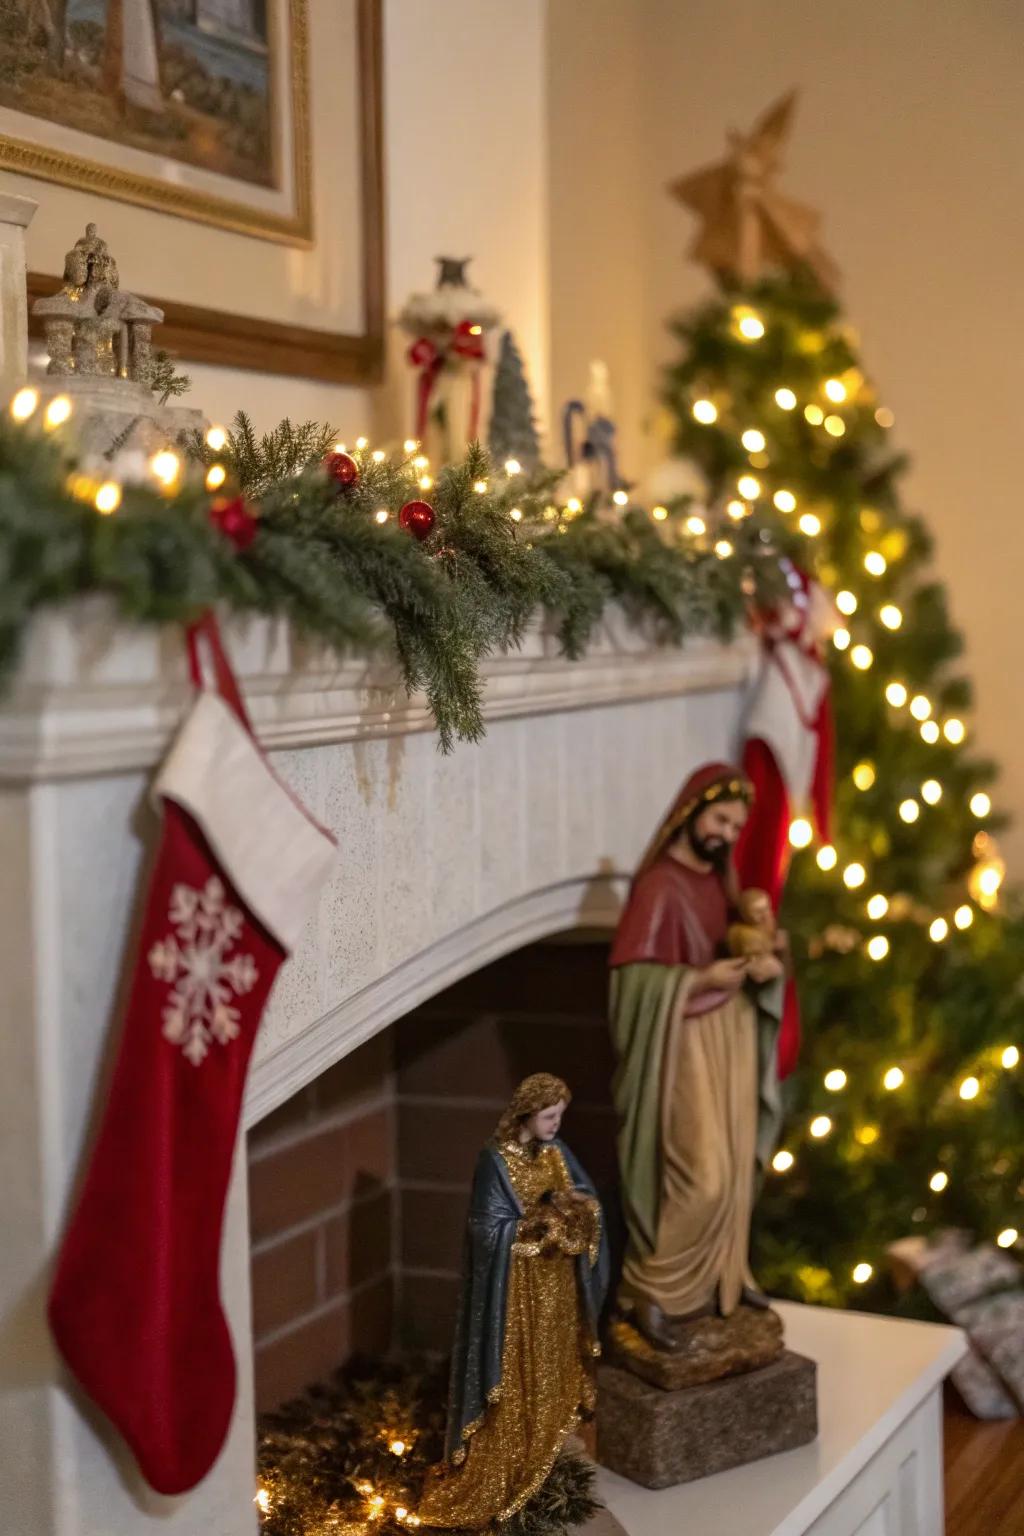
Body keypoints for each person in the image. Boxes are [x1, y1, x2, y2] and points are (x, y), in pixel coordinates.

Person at [608, 762, 786, 1353]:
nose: (727, 834)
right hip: (682, 1041)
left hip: (728, 1034)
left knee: (732, 1168)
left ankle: (722, 1278)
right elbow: (632, 982)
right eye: (719, 819)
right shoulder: (660, 885)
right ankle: (649, 1291)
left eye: (736, 825)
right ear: (689, 812)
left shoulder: (718, 883)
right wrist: (698, 978)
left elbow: (738, 937)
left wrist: (764, 958)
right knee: (701, 1173)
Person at [419, 1074, 608, 1529]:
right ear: (526, 1113)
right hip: (517, 1293)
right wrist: (534, 1225)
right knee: (520, 1368)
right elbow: (484, 1229)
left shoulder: (556, 1153)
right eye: (549, 1116)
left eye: (560, 1115)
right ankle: (514, 1453)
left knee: (555, 1362)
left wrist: (575, 1208)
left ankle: (553, 1445)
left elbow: (588, 1199)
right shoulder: (496, 1161)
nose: (556, 1124)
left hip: (556, 1286)